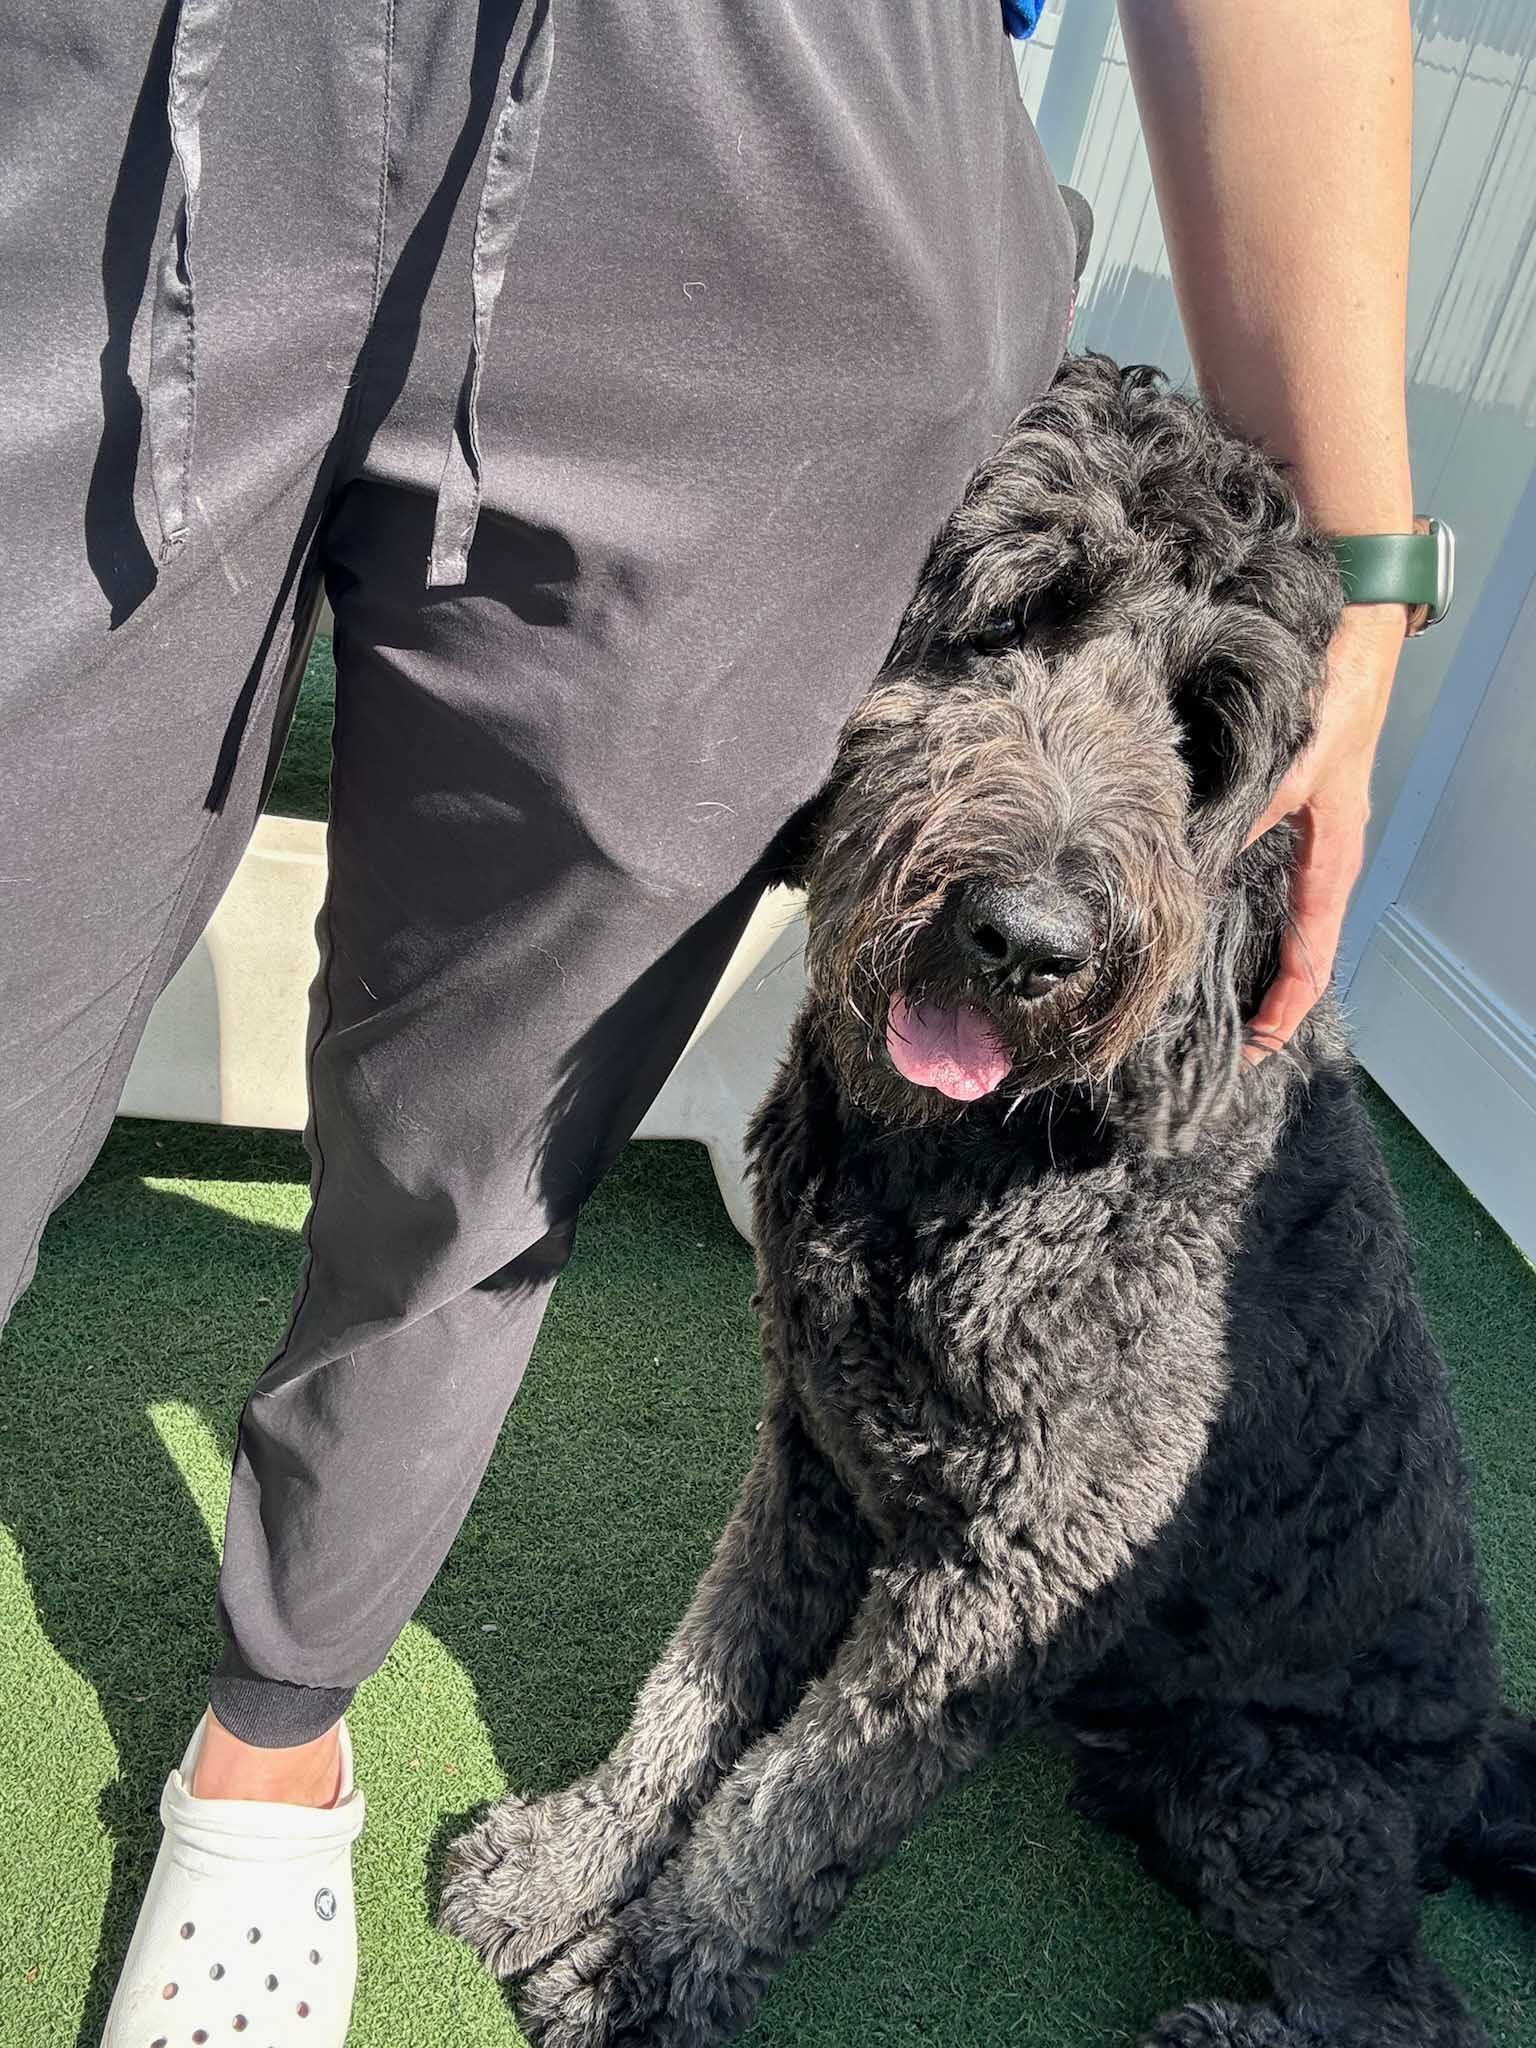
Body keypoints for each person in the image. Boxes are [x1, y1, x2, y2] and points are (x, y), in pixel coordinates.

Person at [0, 3, 1423, 2041]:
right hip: (121, 75)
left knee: (487, 1135)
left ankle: (284, 1743)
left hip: (785, 134)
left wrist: (1363, 565)